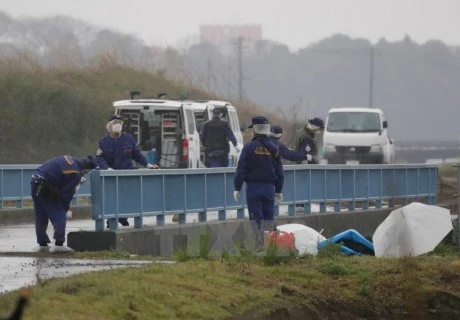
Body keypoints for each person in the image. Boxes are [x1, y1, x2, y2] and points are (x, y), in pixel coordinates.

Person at [97, 114, 159, 227]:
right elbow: (100, 158)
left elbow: (137, 154)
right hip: (111, 176)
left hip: (126, 175)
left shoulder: (128, 138)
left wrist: (147, 164)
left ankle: (122, 217)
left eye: (120, 123)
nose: (118, 125)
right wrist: (107, 169)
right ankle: (111, 220)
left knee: (126, 198)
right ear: (109, 126)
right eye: (115, 123)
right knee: (112, 199)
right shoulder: (103, 141)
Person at [233, 116, 284, 250]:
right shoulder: (274, 149)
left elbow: (241, 169)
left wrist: (237, 187)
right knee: (269, 220)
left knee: (256, 220)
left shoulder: (249, 147)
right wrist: (279, 190)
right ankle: (270, 248)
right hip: (269, 189)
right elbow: (280, 171)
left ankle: (259, 246)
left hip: (253, 189)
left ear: (254, 130)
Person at [31, 155, 97, 253]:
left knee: (41, 215)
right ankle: (59, 245)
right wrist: (64, 209)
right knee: (59, 213)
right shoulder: (75, 173)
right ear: (87, 169)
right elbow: (66, 194)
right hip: (46, 187)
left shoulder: (71, 159)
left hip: (35, 181)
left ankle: (42, 245)